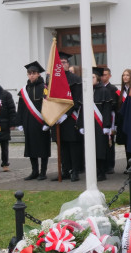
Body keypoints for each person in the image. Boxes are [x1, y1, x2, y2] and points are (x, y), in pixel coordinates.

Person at [16, 61, 51, 181]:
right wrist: (19, 122)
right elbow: (20, 108)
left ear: (38, 74)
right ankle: (34, 171)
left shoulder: (44, 88)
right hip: (28, 123)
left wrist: (47, 123)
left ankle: (43, 172)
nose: (31, 75)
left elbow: (48, 107)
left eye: (34, 73)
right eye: (29, 73)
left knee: (43, 148)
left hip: (40, 123)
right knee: (31, 148)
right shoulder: (24, 90)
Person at [52, 52, 83, 182]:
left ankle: (75, 171)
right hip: (57, 118)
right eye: (60, 63)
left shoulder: (75, 79)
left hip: (70, 117)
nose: (62, 65)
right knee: (62, 146)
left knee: (72, 146)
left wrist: (66, 114)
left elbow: (76, 100)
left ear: (68, 64)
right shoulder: (53, 79)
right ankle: (65, 170)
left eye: (64, 62)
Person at [89, 67, 117, 180]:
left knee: (100, 149)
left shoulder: (104, 91)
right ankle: (93, 171)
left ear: (97, 78)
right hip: (90, 125)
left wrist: (106, 126)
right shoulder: (86, 90)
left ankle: (102, 171)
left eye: (93, 77)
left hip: (100, 126)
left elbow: (107, 110)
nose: (91, 79)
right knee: (91, 149)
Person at [101, 66, 119, 174]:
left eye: (105, 75)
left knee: (110, 142)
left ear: (110, 76)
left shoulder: (113, 89)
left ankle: (110, 165)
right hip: (100, 117)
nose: (103, 77)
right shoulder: (97, 88)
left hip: (110, 117)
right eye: (102, 75)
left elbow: (116, 105)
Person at [0, 81, 16, 171]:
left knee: (4, 145)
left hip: (4, 123)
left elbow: (12, 109)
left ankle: (5, 163)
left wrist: (12, 123)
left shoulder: (6, 94)